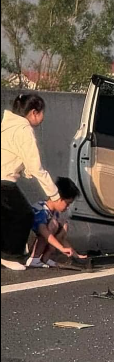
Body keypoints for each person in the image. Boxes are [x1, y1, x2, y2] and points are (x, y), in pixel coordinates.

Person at [1, 93, 60, 271]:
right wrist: (54, 194)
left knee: (5, 217)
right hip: (4, 180)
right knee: (24, 214)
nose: (42, 118)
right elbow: (36, 167)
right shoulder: (24, 129)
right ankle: (10, 255)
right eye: (42, 113)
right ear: (34, 112)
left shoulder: (7, 125)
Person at [25, 177, 87, 268]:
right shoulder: (41, 210)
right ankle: (34, 258)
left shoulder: (54, 213)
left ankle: (44, 258)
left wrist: (75, 255)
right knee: (53, 224)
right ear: (58, 198)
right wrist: (61, 248)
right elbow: (44, 232)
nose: (67, 207)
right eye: (67, 203)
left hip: (40, 236)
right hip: (27, 240)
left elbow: (62, 238)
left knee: (63, 225)